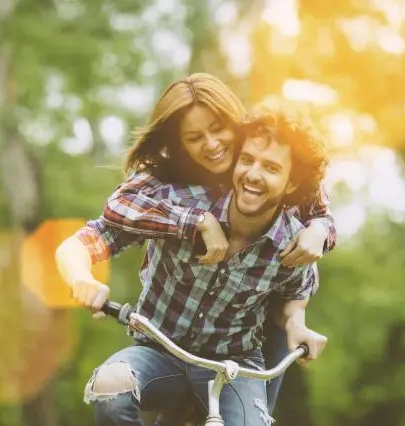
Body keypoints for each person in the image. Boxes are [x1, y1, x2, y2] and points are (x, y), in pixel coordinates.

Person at [57, 73, 335, 417]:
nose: (213, 144)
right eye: (194, 137)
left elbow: (300, 269)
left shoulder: (287, 215)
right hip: (161, 348)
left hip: (236, 360)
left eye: (218, 128)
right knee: (111, 388)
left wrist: (321, 228)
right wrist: (80, 278)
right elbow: (100, 226)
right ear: (181, 146)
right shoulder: (170, 196)